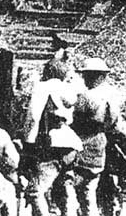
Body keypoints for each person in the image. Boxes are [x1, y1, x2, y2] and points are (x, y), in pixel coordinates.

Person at [71, 57, 126, 216]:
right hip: (102, 140)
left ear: (95, 76)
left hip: (85, 142)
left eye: (87, 75)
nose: (85, 78)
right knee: (97, 186)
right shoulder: (112, 94)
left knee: (83, 188)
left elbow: (74, 120)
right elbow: (114, 121)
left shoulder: (86, 97)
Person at [22, 60, 82, 216]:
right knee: (64, 187)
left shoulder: (44, 86)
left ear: (47, 72)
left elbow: (33, 117)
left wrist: (28, 142)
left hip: (52, 142)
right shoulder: (69, 89)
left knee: (35, 191)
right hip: (71, 142)